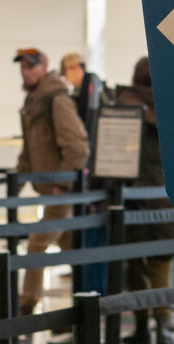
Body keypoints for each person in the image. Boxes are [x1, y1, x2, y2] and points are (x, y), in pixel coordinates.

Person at [118, 57, 174, 344]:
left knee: (135, 266)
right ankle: (162, 325)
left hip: (132, 197)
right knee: (161, 266)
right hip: (165, 198)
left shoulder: (124, 104)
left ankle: (140, 327)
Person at [13, 47, 90, 316]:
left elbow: (78, 147)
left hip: (61, 192)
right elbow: (29, 150)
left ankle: (26, 305)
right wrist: (17, 181)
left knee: (37, 243)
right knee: (71, 246)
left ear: (43, 68)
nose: (25, 71)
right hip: (48, 190)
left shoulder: (56, 99)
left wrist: (62, 185)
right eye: (22, 67)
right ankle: (89, 302)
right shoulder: (33, 103)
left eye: (30, 66)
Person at [60, 52, 110, 296]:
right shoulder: (94, 90)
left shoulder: (90, 91)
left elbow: (86, 139)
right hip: (96, 178)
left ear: (74, 68)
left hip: (93, 180)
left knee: (92, 232)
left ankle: (92, 288)